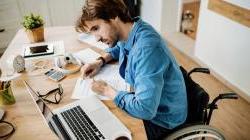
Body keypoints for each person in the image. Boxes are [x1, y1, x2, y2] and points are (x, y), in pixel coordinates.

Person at [76, 0, 187, 139]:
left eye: (96, 28)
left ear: (113, 15)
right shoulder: (131, 31)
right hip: (149, 104)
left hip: (162, 121)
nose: (96, 38)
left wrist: (107, 90)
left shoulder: (146, 49)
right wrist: (100, 61)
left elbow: (145, 110)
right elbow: (119, 47)